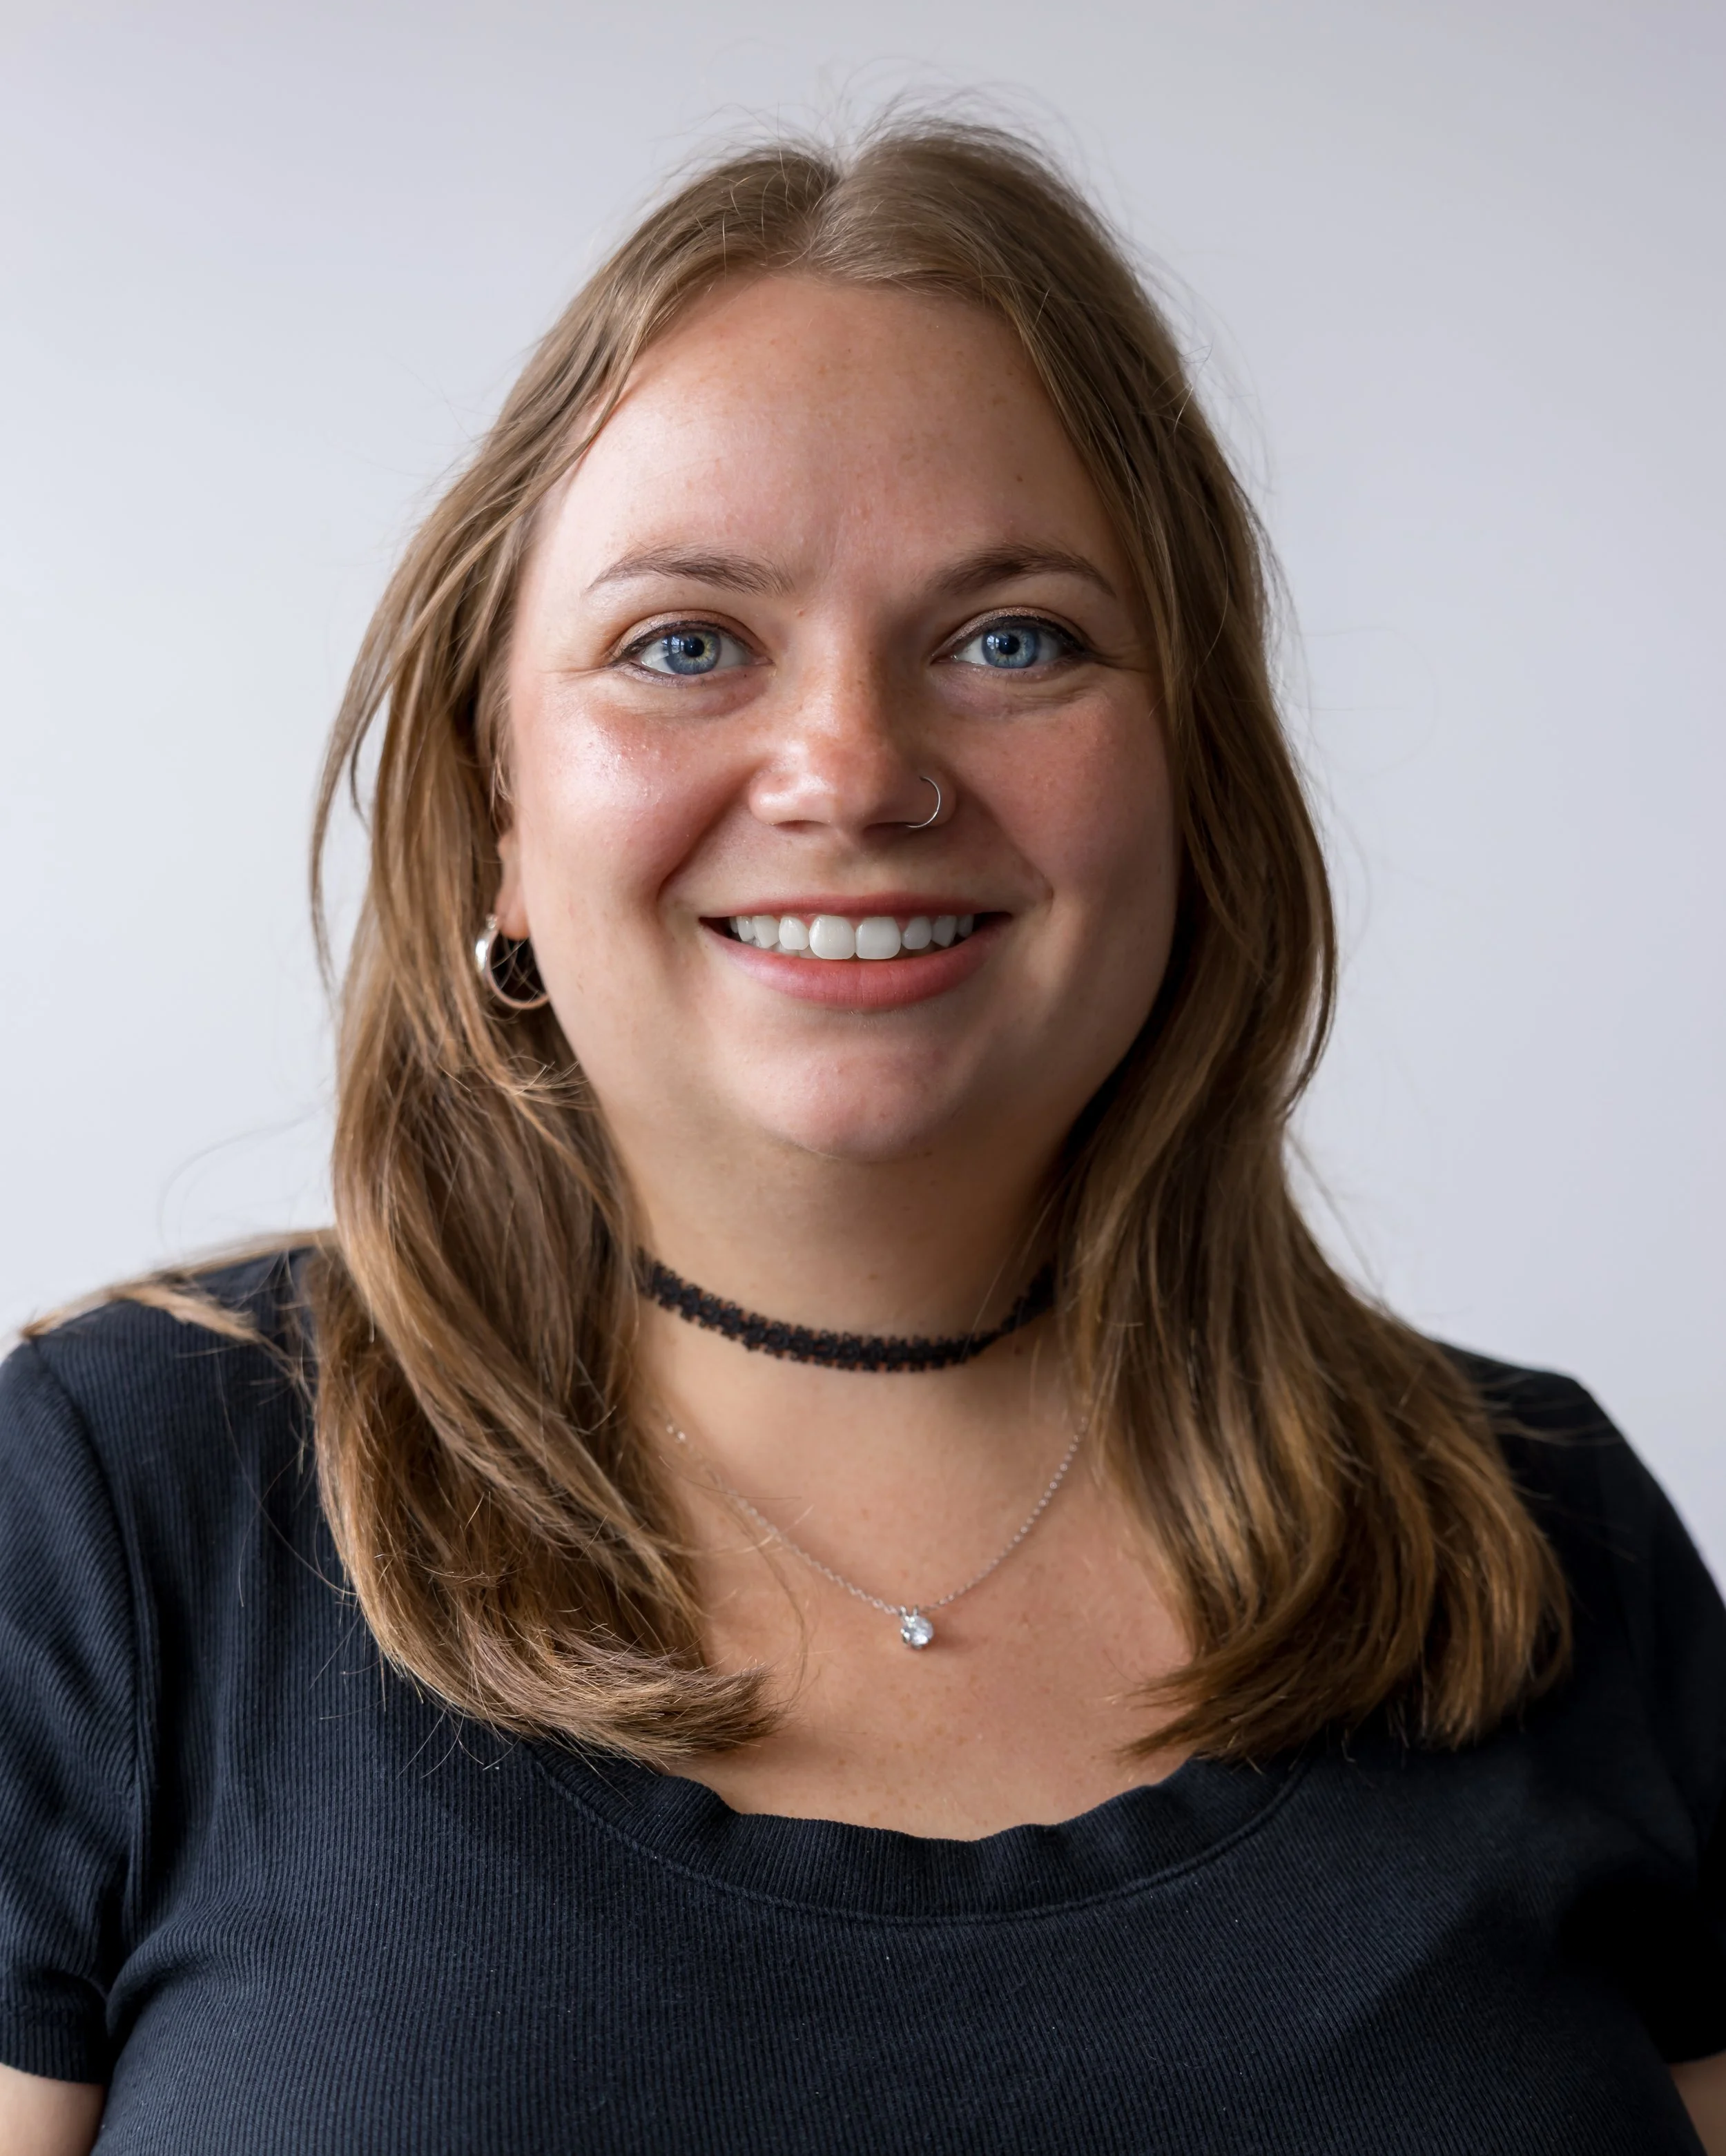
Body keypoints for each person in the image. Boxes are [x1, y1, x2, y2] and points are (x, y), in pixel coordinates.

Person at [1, 117, 1722, 2156]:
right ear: (492, 814)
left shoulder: (1540, 1546)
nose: (851, 769)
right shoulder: (115, 1521)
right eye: (684, 645)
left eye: (1014, 640)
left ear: (1196, 781)